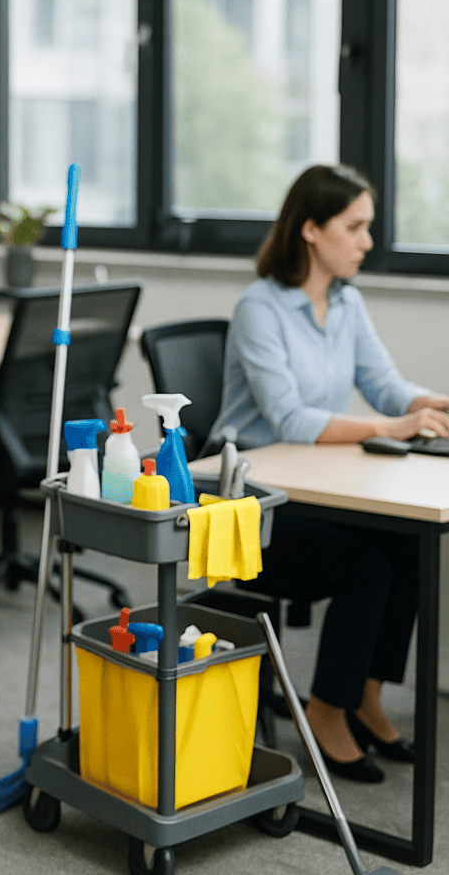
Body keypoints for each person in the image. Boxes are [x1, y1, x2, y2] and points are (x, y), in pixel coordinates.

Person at [207, 163, 449, 782]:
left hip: (308, 487)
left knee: (404, 546)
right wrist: (387, 429)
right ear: (312, 230)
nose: (368, 241)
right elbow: (288, 417)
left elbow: (384, 385)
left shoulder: (346, 301)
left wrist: (428, 404)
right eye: (357, 226)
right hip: (246, 503)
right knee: (364, 568)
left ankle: (365, 694)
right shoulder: (261, 307)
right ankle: (325, 710)